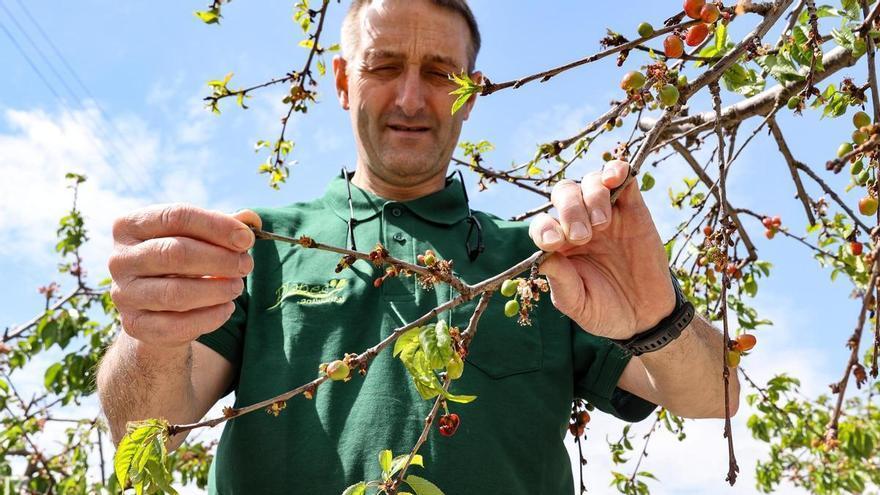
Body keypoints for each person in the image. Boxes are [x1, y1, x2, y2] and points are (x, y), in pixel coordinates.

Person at [96, 0, 740, 493]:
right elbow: (144, 426)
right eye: (384, 66)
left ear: (471, 92)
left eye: (439, 72)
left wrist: (658, 316)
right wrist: (153, 328)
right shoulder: (255, 243)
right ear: (344, 81)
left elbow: (715, 394)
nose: (410, 97)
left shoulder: (543, 259)